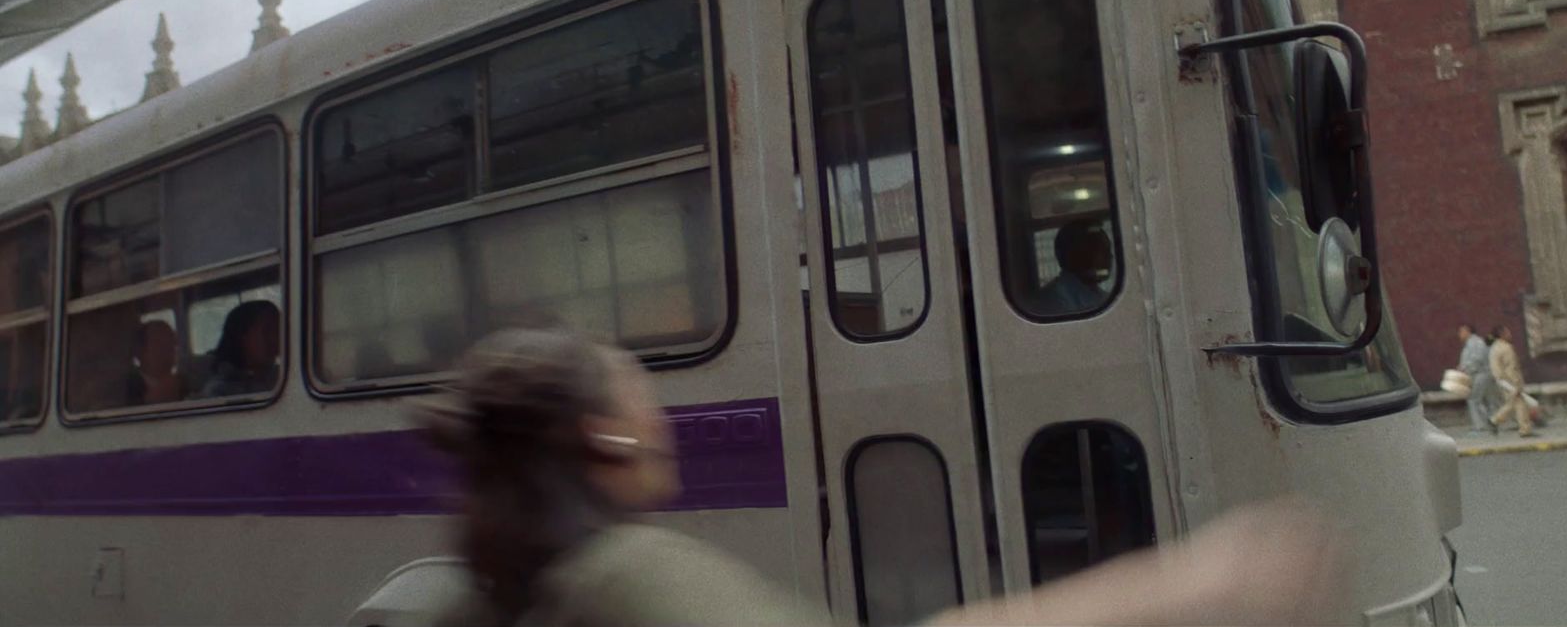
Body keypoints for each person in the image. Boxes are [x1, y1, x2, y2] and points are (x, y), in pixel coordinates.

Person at [423, 327, 1347, 627]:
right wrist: (1191, 580)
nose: (662, 420)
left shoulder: (461, 595)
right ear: (605, 442)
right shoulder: (629, 582)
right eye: (640, 396)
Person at [201, 301, 280, 397]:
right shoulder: (220, 391)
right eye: (266, 330)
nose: (275, 339)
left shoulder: (283, 376)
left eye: (278, 330)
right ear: (242, 336)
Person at [1042, 220, 1111, 314]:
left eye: (1108, 250)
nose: (1109, 256)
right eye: (1100, 250)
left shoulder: (1103, 297)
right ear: (1076, 254)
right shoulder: (1055, 300)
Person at [1489, 325, 1535, 438]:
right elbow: (1512, 368)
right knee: (1519, 404)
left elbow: (1496, 368)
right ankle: (1524, 429)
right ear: (1502, 334)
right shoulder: (1507, 348)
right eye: (1507, 332)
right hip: (1510, 382)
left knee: (1514, 404)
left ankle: (1495, 421)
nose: (1510, 334)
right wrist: (1517, 384)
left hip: (1502, 381)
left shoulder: (1494, 348)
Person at [126, 320, 185, 405]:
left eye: (172, 341)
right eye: (160, 342)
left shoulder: (183, 382)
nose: (171, 348)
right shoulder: (130, 388)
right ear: (140, 351)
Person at [1457, 324, 1498, 435]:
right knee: (1488, 401)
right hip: (1482, 374)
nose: (1459, 334)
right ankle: (1492, 422)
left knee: (1474, 400)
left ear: (1468, 331)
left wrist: (1464, 368)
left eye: (1461, 331)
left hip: (1480, 374)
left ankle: (1481, 426)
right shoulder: (1472, 343)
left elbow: (1478, 359)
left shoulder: (1475, 343)